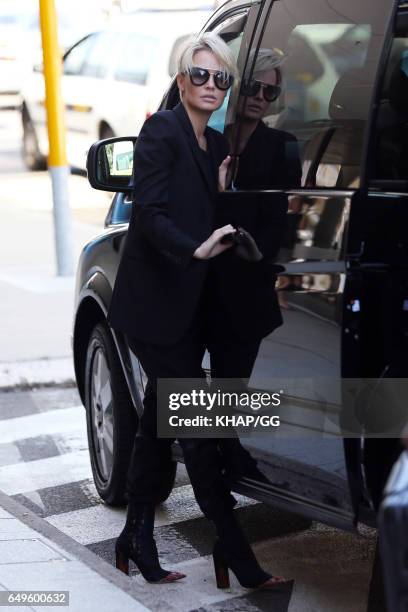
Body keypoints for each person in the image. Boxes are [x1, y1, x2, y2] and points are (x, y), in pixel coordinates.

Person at [107, 32, 288, 589]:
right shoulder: (161, 130)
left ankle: (135, 536)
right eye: (201, 75)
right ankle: (233, 550)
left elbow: (197, 206)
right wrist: (195, 247)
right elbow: (149, 214)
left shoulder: (211, 145)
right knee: (195, 422)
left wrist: (224, 206)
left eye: (221, 79)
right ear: (181, 78)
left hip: (183, 307)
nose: (212, 86)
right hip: (152, 308)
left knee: (161, 420)